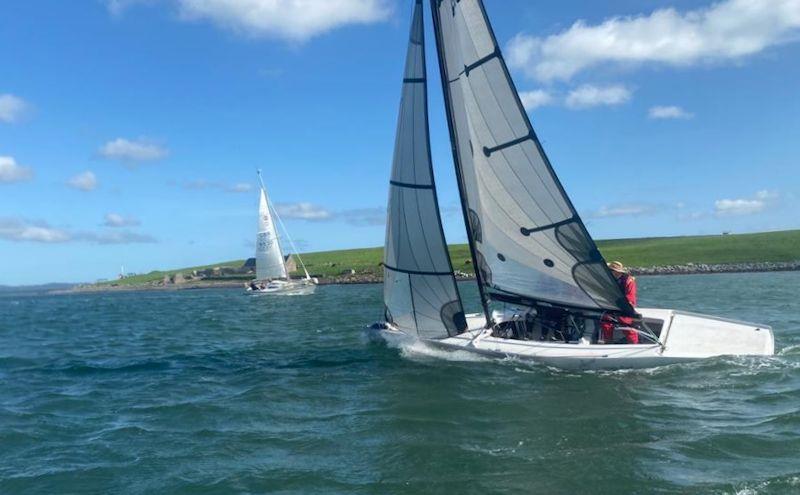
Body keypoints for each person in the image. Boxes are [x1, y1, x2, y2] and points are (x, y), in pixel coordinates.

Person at [601, 261, 638, 344]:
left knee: (626, 323)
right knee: (605, 321)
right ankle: (608, 342)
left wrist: (621, 306)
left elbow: (630, 297)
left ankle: (634, 344)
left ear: (616, 272)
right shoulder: (609, 280)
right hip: (611, 305)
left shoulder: (629, 281)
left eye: (611, 270)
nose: (609, 272)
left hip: (625, 306)